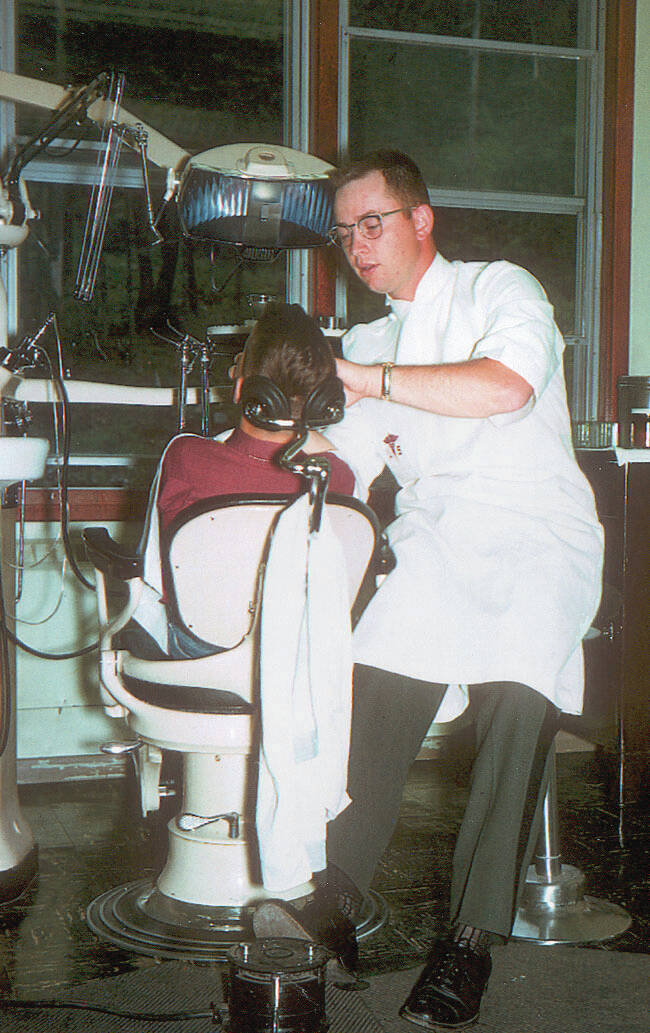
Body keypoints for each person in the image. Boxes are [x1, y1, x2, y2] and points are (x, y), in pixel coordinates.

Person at [253, 151, 604, 1028]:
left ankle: (471, 939)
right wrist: (274, 409)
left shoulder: (500, 290)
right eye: (344, 233)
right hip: (439, 539)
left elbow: (507, 388)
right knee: (377, 669)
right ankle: (337, 889)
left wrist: (355, 379)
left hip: (539, 531)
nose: (357, 246)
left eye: (372, 223)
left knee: (520, 688)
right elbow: (342, 460)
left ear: (421, 219)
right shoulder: (366, 345)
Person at [124, 301, 355, 661]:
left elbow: (155, 571)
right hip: (298, 658)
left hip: (200, 653)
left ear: (242, 390)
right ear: (324, 401)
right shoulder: (337, 476)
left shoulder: (185, 457)